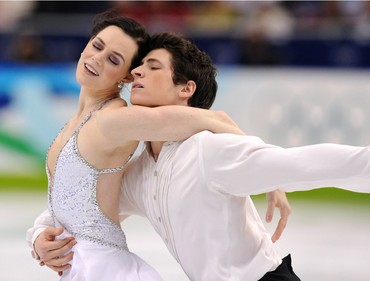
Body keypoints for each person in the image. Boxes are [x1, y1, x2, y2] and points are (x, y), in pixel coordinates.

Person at [27, 9, 249, 281]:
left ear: (126, 77)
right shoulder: (79, 120)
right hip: (83, 268)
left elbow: (213, 119)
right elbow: (68, 203)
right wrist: (38, 240)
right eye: (97, 45)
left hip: (108, 271)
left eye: (113, 59)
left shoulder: (115, 120)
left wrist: (272, 181)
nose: (96, 59)